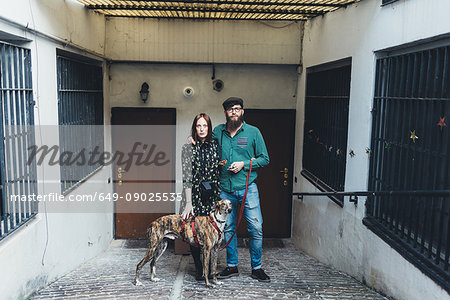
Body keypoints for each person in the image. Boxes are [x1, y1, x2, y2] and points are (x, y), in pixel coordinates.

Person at [214, 97, 271, 282]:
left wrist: (244, 164)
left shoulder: (253, 132)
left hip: (248, 188)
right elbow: (207, 149)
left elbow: (264, 159)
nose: (234, 112)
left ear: (242, 111)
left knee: (256, 227)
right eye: (230, 109)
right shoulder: (217, 132)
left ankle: (257, 268)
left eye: (237, 109)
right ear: (225, 113)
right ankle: (232, 266)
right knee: (228, 228)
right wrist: (193, 139)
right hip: (225, 190)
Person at [181, 113, 221, 281]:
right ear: (194, 128)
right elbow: (187, 176)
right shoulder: (188, 147)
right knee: (195, 233)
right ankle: (199, 269)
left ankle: (210, 269)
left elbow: (220, 168)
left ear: (209, 127)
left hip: (212, 195)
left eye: (205, 125)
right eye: (199, 126)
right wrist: (188, 203)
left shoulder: (216, 145)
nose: (202, 129)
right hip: (195, 195)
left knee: (211, 232)